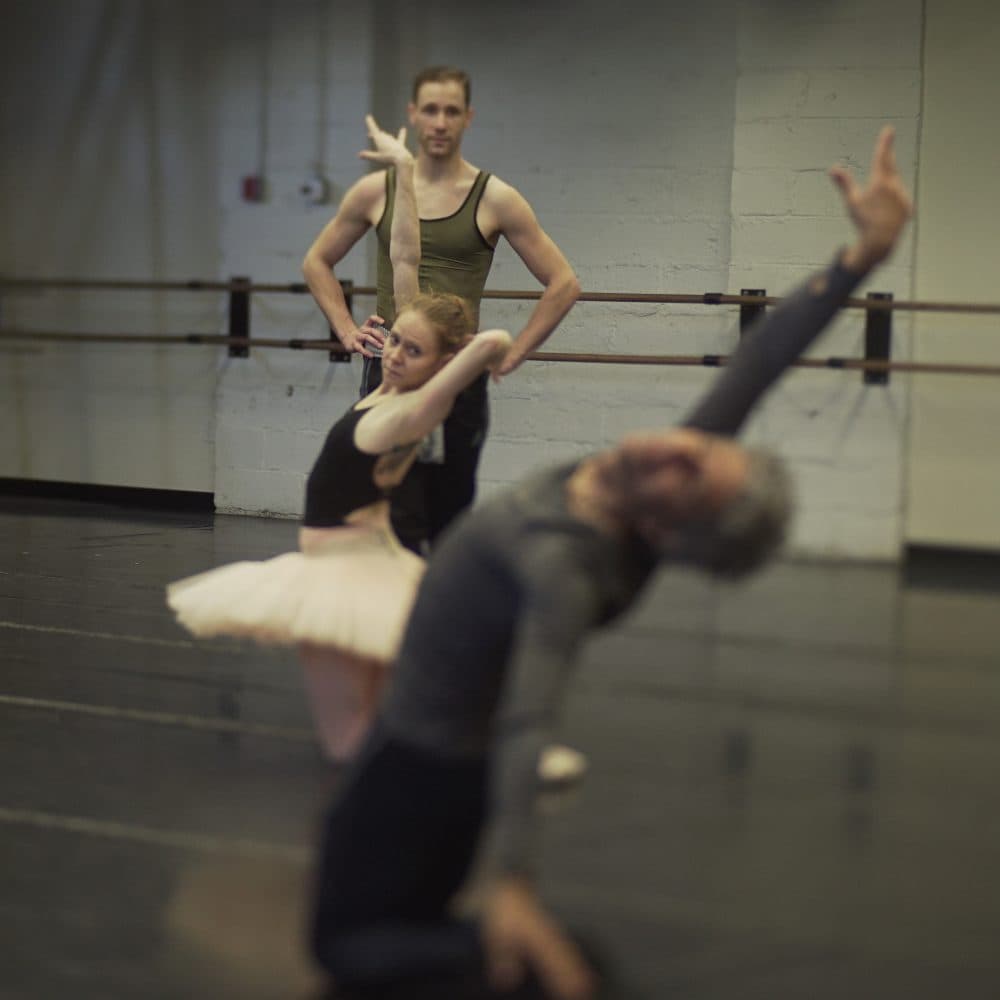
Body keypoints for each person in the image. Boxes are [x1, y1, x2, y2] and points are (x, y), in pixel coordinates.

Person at [309, 127, 913, 999]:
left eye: (688, 474)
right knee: (404, 946)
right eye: (701, 450)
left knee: (346, 954)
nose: (678, 446)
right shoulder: (655, 479)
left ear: (669, 531)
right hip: (432, 764)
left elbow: (528, 718)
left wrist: (513, 878)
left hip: (422, 772)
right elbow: (765, 359)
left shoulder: (569, 566)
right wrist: (864, 254)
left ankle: (556, 970)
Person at [167, 118, 512, 760]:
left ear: (440, 367)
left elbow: (456, 374)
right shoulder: (388, 381)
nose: (394, 354)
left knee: (354, 732)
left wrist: (487, 347)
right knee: (381, 709)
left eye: (412, 350)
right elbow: (405, 254)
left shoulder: (403, 411)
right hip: (368, 552)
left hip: (347, 568)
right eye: (396, 341)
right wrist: (403, 173)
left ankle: (439, 775)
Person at [303, 65, 581, 549]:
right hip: (392, 369)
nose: (439, 122)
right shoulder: (377, 191)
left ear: (467, 118)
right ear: (413, 113)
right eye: (430, 110)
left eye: (451, 111)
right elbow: (317, 262)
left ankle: (438, 610)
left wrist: (513, 354)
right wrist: (347, 329)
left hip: (457, 375)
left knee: (449, 515)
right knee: (384, 509)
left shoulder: (495, 197)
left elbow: (563, 283)